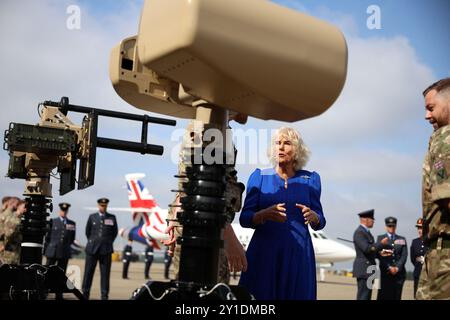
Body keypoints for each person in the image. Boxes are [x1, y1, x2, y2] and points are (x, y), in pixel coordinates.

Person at [239, 127, 325, 300]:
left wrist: (314, 217)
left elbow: (321, 220)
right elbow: (244, 218)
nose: (281, 147)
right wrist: (262, 214)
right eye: (278, 143)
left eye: (287, 143)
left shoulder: (311, 180)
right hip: (264, 252)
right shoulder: (259, 177)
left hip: (298, 254)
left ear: (297, 150)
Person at [164, 115, 248, 283]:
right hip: (207, 228)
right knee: (206, 290)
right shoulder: (211, 125)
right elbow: (204, 186)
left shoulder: (216, 125)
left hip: (203, 224)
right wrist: (227, 233)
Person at [418, 77, 450, 299]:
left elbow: (446, 198)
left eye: (431, 108)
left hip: (444, 255)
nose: (427, 116)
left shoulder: (444, 138)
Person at [82, 198, 118, 300]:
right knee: (88, 273)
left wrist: (107, 242)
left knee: (105, 275)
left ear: (107, 206)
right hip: (92, 250)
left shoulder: (112, 218)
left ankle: (104, 295)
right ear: (98, 206)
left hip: (106, 250)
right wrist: (94, 241)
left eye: (105, 205)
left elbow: (114, 233)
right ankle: (85, 294)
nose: (103, 207)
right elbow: (87, 232)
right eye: (101, 205)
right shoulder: (92, 217)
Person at [352, 209, 388, 300]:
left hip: (369, 270)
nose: (373, 222)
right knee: (363, 296)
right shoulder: (360, 232)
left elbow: (371, 251)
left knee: (367, 296)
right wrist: (381, 244)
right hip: (364, 269)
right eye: (372, 219)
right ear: (366, 220)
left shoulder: (366, 233)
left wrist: (380, 252)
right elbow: (367, 249)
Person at [376, 217, 407, 300]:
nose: (391, 228)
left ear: (396, 226)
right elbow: (380, 255)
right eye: (389, 226)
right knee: (383, 297)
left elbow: (404, 255)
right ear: (386, 227)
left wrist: (397, 268)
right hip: (385, 274)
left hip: (398, 275)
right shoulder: (380, 238)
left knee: (396, 297)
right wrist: (389, 267)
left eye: (393, 226)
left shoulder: (401, 239)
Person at [44, 202, 76, 274]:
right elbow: (47, 237)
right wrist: (46, 250)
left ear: (67, 211)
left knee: (61, 274)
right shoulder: (52, 221)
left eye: (65, 211)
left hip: (64, 252)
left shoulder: (72, 223)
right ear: (59, 211)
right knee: (47, 272)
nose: (63, 212)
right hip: (52, 251)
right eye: (62, 210)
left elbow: (72, 238)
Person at [2, 199, 26, 265]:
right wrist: (3, 246)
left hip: (16, 252)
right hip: (9, 252)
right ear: (18, 206)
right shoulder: (13, 218)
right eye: (24, 207)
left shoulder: (20, 219)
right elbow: (7, 234)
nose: (25, 209)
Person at [410, 218, 428, 298]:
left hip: (428, 274)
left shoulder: (431, 241)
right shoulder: (415, 242)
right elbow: (412, 258)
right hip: (418, 273)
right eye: (418, 228)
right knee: (417, 296)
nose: (419, 230)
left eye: (421, 228)